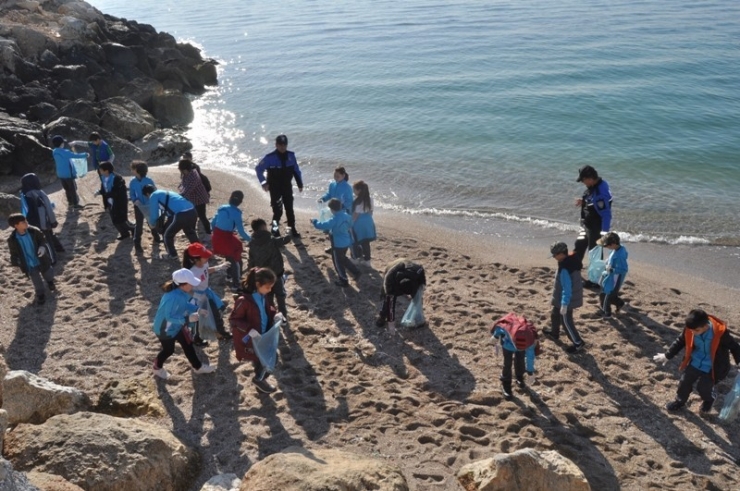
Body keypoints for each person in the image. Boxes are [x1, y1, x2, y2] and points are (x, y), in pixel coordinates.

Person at [654, 309, 740, 413]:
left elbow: (734, 347)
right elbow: (680, 341)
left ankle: (709, 400)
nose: (693, 333)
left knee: (703, 387)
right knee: (684, 382)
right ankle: (679, 401)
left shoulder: (720, 333)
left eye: (697, 330)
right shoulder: (691, 329)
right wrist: (667, 355)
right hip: (695, 362)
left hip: (713, 367)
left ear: (705, 326)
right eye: (691, 330)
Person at [151, 268, 217, 380]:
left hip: (178, 325)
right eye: (191, 283)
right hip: (164, 329)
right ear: (183, 284)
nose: (193, 285)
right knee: (168, 350)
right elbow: (169, 317)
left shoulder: (181, 292)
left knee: (188, 344)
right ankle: (157, 367)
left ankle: (198, 367)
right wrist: (187, 319)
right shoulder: (171, 297)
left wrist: (198, 309)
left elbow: (185, 305)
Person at [229, 267, 285, 394]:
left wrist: (276, 315)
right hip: (253, 339)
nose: (270, 290)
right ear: (258, 284)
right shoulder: (244, 301)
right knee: (269, 358)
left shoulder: (262, 295)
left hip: (264, 334)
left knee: (263, 360)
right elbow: (234, 319)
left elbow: (268, 309)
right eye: (268, 287)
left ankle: (260, 384)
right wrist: (249, 329)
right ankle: (258, 380)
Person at [182, 242, 232, 345]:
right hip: (196, 298)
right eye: (204, 257)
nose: (207, 258)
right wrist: (196, 296)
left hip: (207, 293)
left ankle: (220, 332)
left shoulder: (204, 263)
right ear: (196, 259)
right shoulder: (191, 272)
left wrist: (219, 267)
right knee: (197, 319)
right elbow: (186, 288)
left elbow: (206, 271)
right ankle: (196, 338)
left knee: (216, 312)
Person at [255, 134, 304, 238]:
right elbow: (258, 169)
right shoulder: (269, 158)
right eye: (280, 145)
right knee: (277, 211)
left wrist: (300, 184)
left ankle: (292, 229)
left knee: (289, 209)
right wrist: (263, 183)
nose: (282, 147)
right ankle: (275, 230)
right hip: (275, 188)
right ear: (276, 145)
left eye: (284, 145)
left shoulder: (291, 156)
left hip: (287, 187)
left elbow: (296, 171)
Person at [543, 242, 586, 353]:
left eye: (554, 255)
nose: (553, 257)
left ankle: (578, 342)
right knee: (554, 315)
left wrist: (564, 304)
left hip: (567, 299)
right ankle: (554, 332)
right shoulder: (571, 260)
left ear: (561, 254)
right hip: (561, 298)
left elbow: (567, 289)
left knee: (566, 321)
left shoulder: (565, 269)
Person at [574, 165, 612, 286]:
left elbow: (606, 214)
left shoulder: (601, 193)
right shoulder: (594, 186)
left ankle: (595, 281)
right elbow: (591, 199)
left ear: (590, 178)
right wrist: (583, 201)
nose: (583, 183)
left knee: (595, 252)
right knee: (579, 245)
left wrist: (604, 233)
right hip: (587, 224)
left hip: (596, 227)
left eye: (583, 180)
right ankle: (574, 270)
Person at [7, 213, 55, 305]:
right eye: (23, 222)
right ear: (16, 226)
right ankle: (40, 294)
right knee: (36, 280)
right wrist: (16, 263)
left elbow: (42, 239)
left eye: (25, 220)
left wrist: (42, 247)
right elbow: (14, 253)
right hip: (29, 263)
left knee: (47, 272)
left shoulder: (34, 231)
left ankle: (50, 282)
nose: (26, 222)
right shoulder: (12, 239)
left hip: (41, 259)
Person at [310, 198, 360, 287]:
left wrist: (314, 221)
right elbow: (351, 224)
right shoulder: (347, 216)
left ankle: (343, 280)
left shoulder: (334, 219)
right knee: (343, 258)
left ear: (332, 210)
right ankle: (356, 271)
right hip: (346, 242)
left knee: (338, 263)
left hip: (338, 244)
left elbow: (322, 225)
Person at [248, 218, 292, 319]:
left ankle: (271, 315)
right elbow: (286, 239)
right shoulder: (271, 240)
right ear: (263, 227)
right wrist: (288, 230)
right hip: (276, 273)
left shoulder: (252, 244)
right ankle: (283, 317)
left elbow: (251, 261)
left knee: (268, 296)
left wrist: (253, 273)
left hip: (263, 275)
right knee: (280, 295)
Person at [143, 185, 199, 260]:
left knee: (166, 234)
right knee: (190, 232)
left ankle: (172, 254)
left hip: (180, 214)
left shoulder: (153, 195)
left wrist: (152, 224)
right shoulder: (166, 192)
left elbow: (154, 214)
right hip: (192, 211)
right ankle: (199, 252)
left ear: (147, 194)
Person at [211, 191, 251, 289]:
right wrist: (252, 239)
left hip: (216, 237)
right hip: (226, 239)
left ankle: (229, 275)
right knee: (236, 258)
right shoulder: (237, 213)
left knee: (229, 255)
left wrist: (216, 233)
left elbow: (212, 223)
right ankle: (236, 283)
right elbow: (241, 232)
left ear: (230, 198)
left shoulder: (222, 208)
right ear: (240, 202)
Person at [492, 315, 538, 401]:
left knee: (520, 360)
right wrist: (495, 336)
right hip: (507, 344)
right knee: (507, 363)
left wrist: (530, 372)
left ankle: (519, 376)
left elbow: (530, 357)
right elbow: (500, 328)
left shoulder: (530, 341)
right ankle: (506, 383)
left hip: (517, 343)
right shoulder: (508, 329)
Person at [20, 172, 64, 260]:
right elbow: (48, 208)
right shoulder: (39, 193)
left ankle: (56, 253)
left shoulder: (23, 194)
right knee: (47, 238)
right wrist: (53, 222)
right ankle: (54, 257)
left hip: (30, 221)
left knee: (44, 238)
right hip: (42, 222)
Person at [375, 258, 426, 330]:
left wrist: (422, 285)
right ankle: (382, 316)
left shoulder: (417, 272)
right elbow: (390, 303)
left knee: (417, 297)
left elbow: (422, 280)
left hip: (408, 265)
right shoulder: (390, 280)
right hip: (392, 267)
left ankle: (418, 317)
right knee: (388, 298)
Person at [318, 166, 353, 253]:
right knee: (331, 230)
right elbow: (329, 194)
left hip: (343, 212)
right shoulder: (332, 184)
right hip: (333, 211)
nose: (336, 178)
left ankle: (347, 248)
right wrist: (323, 199)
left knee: (342, 231)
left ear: (343, 176)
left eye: (338, 176)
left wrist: (341, 207)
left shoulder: (347, 187)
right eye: (335, 175)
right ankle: (333, 246)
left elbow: (349, 201)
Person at [128, 161, 162, 254]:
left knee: (151, 221)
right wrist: (135, 200)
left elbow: (155, 192)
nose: (131, 170)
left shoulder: (149, 180)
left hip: (149, 205)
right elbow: (131, 194)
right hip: (139, 206)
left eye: (133, 168)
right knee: (139, 225)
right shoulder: (132, 181)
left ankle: (156, 237)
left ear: (138, 170)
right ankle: (137, 243)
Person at [98, 161, 134, 241]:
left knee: (121, 219)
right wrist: (100, 192)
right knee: (114, 220)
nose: (99, 171)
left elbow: (118, 192)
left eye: (101, 170)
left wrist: (107, 194)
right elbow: (104, 188)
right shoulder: (103, 177)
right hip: (110, 202)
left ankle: (132, 229)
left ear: (106, 170)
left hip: (119, 202)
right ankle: (124, 234)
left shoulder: (117, 178)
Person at [51, 135, 87, 209]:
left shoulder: (54, 152)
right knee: (73, 189)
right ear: (61, 144)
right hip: (68, 174)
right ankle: (75, 204)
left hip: (60, 174)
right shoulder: (65, 152)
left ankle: (70, 203)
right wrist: (85, 155)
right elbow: (75, 156)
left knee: (67, 189)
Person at [597, 232, 628, 318]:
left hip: (615, 277)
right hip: (609, 276)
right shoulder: (617, 249)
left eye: (607, 245)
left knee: (605, 294)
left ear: (613, 244)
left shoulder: (620, 255)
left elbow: (624, 269)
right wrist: (606, 262)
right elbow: (611, 258)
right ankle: (619, 303)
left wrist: (612, 269)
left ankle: (606, 312)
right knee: (610, 294)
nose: (606, 247)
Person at [177, 159, 211, 236]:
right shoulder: (187, 174)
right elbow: (183, 184)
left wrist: (178, 197)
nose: (181, 172)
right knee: (193, 216)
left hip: (200, 199)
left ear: (185, 169)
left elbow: (187, 190)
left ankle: (208, 233)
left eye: (181, 170)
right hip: (192, 199)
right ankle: (192, 232)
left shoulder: (193, 177)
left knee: (202, 217)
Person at [350, 180, 376, 267]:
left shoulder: (357, 202)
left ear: (359, 190)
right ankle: (367, 260)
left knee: (355, 241)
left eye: (354, 190)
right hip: (368, 221)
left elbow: (355, 216)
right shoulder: (370, 199)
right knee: (366, 242)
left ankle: (356, 258)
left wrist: (350, 224)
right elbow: (371, 212)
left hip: (359, 223)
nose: (353, 191)